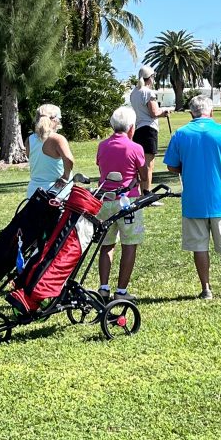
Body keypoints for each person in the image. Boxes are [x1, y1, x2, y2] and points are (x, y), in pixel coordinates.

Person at [163, 94, 221, 300]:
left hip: (193, 200)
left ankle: (206, 288)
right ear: (210, 111)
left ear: (191, 112)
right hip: (220, 197)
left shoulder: (180, 134)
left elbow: (171, 165)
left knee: (199, 246)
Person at [94, 106, 148, 302]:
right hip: (128, 201)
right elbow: (143, 174)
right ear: (131, 128)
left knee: (107, 245)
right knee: (129, 244)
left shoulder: (103, 145)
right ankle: (122, 290)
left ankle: (103, 287)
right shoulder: (136, 148)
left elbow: (100, 166)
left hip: (105, 201)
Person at [130, 65, 172, 198]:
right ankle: (147, 196)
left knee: (141, 163)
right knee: (148, 164)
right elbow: (154, 113)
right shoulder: (149, 93)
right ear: (150, 78)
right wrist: (164, 112)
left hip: (138, 130)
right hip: (149, 130)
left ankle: (143, 194)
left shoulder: (134, 93)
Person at [25, 103, 73, 199]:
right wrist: (66, 177)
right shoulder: (58, 139)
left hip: (34, 192)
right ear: (55, 119)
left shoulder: (29, 139)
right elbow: (68, 159)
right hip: (56, 191)